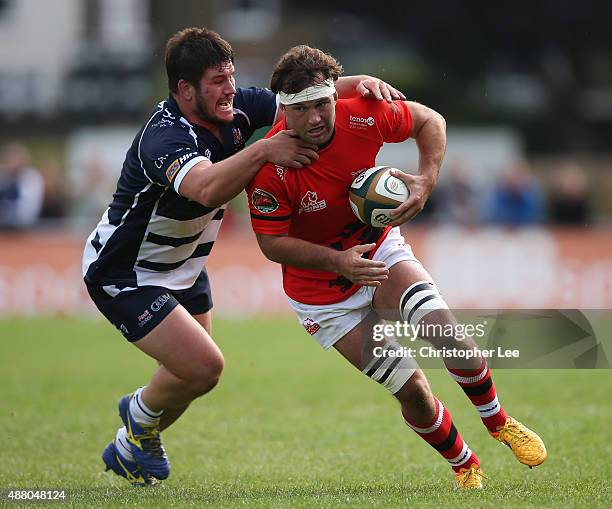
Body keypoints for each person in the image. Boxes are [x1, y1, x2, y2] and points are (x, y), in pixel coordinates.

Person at [82, 27, 406, 486]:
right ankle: (137, 416)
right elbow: (208, 187)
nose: (230, 88)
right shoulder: (164, 139)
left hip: (186, 265)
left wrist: (361, 82)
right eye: (217, 80)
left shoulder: (236, 109)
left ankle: (129, 443)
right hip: (126, 271)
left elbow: (306, 97)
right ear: (184, 90)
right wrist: (264, 149)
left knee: (191, 376)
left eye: (231, 76)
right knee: (203, 368)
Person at [246, 45, 547, 489]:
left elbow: (430, 122)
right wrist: (337, 262)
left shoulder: (362, 113)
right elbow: (271, 244)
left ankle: (498, 421)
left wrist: (426, 179)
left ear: (335, 96)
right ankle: (464, 463)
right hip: (323, 295)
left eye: (322, 104)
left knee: (450, 335)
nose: (315, 118)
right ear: (283, 110)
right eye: (301, 109)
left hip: (378, 251)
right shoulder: (271, 166)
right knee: (413, 391)